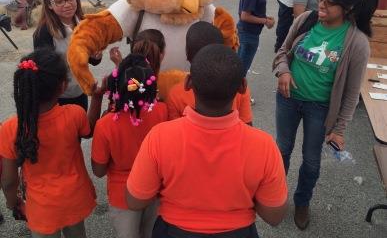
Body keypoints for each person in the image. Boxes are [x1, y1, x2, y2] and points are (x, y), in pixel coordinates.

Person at [126, 44, 288, 237]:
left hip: (173, 231)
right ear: (243, 86)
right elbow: (274, 216)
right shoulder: (264, 145)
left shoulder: (159, 137)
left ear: (188, 83)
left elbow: (134, 201)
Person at [273, 0, 379, 230]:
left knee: (310, 161)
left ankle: (302, 201)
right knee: (281, 152)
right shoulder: (305, 21)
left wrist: (339, 129)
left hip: (319, 109)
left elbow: (352, 93)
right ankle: (274, 197)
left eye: (330, 3)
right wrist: (284, 71)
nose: (321, 5)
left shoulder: (357, 43)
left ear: (348, 8)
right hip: (288, 100)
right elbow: (281, 52)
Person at [0, 49, 97, 237]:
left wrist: (13, 203)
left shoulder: (10, 128)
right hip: (75, 198)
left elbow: (9, 180)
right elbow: (89, 130)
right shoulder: (74, 114)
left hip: (41, 208)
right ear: (62, 87)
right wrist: (97, 98)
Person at [92, 53, 168, 238]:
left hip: (122, 196)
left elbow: (99, 171)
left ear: (115, 87)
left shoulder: (106, 124)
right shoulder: (162, 111)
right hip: (156, 189)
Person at [33, 0, 102, 111]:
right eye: (59, 1)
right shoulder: (44, 32)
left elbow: (92, 60)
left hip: (80, 89)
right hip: (57, 96)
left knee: (81, 125)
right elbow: (44, 70)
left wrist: (96, 56)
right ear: (49, 5)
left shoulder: (84, 23)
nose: (67, 4)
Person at [166, 21, 253, 124]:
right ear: (242, 85)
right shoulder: (235, 84)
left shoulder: (175, 94)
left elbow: (175, 129)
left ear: (189, 82)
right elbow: (247, 124)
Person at [237, 0, 275, 77]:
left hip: (248, 33)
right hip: (248, 34)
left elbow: (250, 12)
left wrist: (264, 17)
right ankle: (235, 94)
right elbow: (245, 16)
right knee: (240, 71)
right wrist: (265, 20)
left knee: (239, 67)